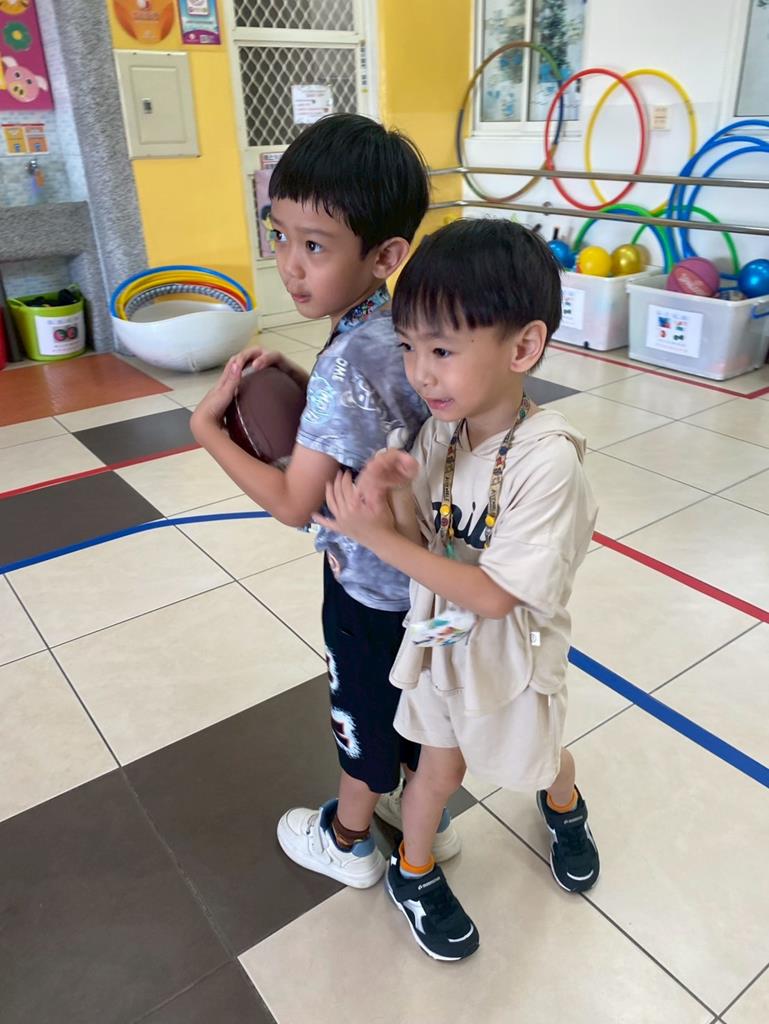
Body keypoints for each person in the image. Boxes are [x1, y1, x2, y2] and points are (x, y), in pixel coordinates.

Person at [315, 218, 600, 961]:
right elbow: (422, 542)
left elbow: (497, 596)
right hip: (441, 635)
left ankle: (563, 804)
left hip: (513, 648)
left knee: (539, 756)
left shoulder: (547, 463)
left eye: (441, 351)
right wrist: (390, 493)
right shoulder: (444, 432)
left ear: (523, 348)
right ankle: (412, 871)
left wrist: (375, 536)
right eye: (409, 347)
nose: (420, 373)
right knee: (436, 766)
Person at [190, 113, 461, 890]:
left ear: (385, 255)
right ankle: (421, 815)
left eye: (315, 246)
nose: (289, 265)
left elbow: (291, 501)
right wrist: (307, 388)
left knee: (362, 716)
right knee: (416, 696)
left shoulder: (347, 362)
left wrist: (206, 430)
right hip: (430, 579)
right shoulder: (400, 328)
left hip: (367, 587)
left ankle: (346, 839)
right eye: (279, 236)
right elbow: (380, 425)